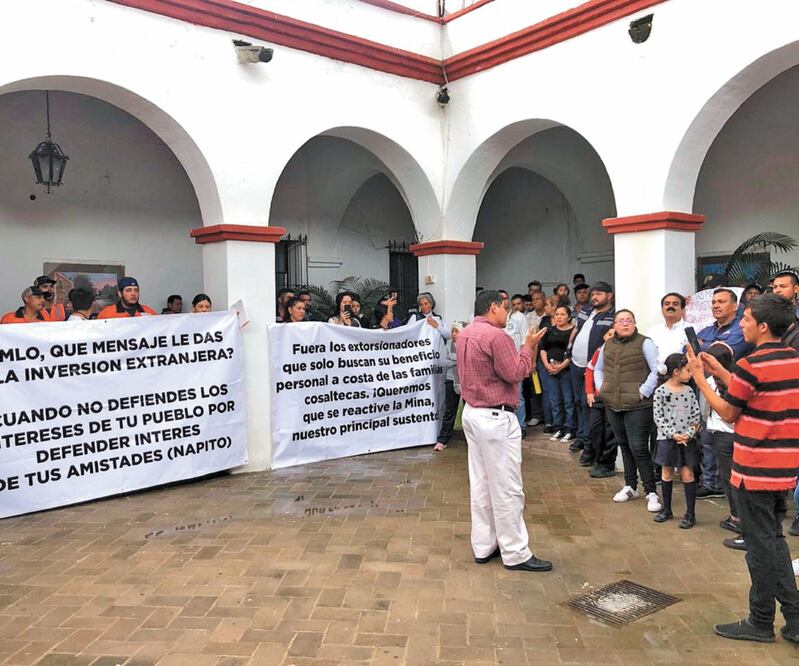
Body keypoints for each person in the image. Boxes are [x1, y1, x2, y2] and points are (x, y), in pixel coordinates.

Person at [686, 294, 799, 644]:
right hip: (783, 466)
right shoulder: (792, 359)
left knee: (760, 547)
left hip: (755, 467)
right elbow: (753, 393)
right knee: (773, 540)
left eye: (747, 318)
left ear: (763, 326)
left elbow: (729, 411)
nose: (743, 324)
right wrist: (719, 370)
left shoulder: (753, 364)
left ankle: (760, 620)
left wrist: (700, 379)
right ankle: (794, 619)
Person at [457, 290, 551, 572]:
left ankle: (484, 545)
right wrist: (529, 346)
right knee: (508, 487)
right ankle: (515, 552)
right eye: (504, 308)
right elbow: (516, 372)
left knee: (482, 483)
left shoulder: (465, 333)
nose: (507, 313)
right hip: (496, 417)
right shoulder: (496, 336)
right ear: (493, 307)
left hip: (473, 414)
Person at [594, 309, 662, 513]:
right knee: (624, 445)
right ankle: (630, 486)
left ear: (634, 323)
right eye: (621, 321)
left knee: (639, 447)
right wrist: (601, 388)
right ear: (614, 324)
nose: (625, 324)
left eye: (629, 320)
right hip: (613, 403)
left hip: (638, 405)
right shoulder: (607, 344)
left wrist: (643, 391)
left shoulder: (644, 342)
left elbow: (656, 369)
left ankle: (651, 491)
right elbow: (598, 368)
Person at [651, 353, 701, 528]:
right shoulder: (661, 391)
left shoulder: (689, 391)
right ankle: (667, 509)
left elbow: (696, 416)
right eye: (688, 370)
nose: (690, 373)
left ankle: (690, 514)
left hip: (686, 440)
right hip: (667, 440)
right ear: (676, 371)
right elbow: (658, 417)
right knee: (666, 473)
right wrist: (672, 434)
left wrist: (689, 433)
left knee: (687, 474)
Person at [699, 342, 740, 534]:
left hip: (721, 435)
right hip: (739, 435)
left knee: (729, 477)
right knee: (739, 478)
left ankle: (736, 517)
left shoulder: (709, 383)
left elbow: (705, 409)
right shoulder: (737, 379)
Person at [569, 281, 615, 453]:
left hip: (593, 367)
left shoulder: (612, 316)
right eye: (593, 294)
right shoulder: (586, 310)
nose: (594, 297)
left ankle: (588, 444)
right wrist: (569, 350)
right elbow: (576, 331)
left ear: (609, 296)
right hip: (575, 364)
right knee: (577, 403)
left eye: (599, 294)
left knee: (587, 403)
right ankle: (580, 437)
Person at [583, 329, 618, 477]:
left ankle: (607, 464)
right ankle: (597, 459)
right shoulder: (600, 350)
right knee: (595, 428)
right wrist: (590, 391)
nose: (611, 337)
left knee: (610, 432)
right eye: (609, 334)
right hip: (598, 397)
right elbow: (590, 370)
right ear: (603, 336)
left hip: (613, 397)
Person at [540, 305, 576, 443]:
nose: (559, 317)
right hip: (550, 370)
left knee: (568, 401)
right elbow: (543, 348)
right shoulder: (549, 330)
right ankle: (558, 427)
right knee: (554, 400)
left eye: (562, 314)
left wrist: (561, 366)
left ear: (569, 316)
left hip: (566, 370)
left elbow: (572, 352)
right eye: (557, 314)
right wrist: (547, 365)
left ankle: (570, 429)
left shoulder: (573, 331)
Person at [501, 290, 530, 435]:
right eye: (500, 299)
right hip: (500, 363)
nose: (504, 301)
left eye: (505, 298)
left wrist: (525, 361)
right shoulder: (498, 318)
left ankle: (521, 426)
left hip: (516, 361)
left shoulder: (519, 317)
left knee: (518, 395)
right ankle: (507, 427)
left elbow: (526, 340)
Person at [434, 322, 464, 451]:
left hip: (467, 382)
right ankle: (443, 439)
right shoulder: (448, 345)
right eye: (453, 331)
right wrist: (456, 362)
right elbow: (441, 361)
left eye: (457, 331)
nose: (454, 334)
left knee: (471, 411)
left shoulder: (469, 344)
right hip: (451, 381)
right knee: (449, 411)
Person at [698, 288, 752, 359]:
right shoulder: (706, 330)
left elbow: (724, 355)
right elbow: (686, 348)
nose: (715, 306)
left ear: (734, 306)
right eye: (713, 302)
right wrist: (717, 345)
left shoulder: (742, 329)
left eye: (721, 302)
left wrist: (700, 346)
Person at [646, 293, 689, 372]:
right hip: (656, 378)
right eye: (667, 304)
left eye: (675, 304)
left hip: (683, 377)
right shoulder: (652, 332)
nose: (670, 306)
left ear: (682, 310)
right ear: (662, 309)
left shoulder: (692, 329)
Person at [537, 296, 560, 434]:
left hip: (560, 363)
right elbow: (540, 343)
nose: (545, 308)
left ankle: (560, 423)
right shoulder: (544, 321)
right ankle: (549, 421)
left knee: (560, 393)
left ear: (554, 307)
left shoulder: (565, 321)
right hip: (543, 361)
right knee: (546, 392)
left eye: (547, 305)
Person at [772, 270, 799, 349]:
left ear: (796, 289)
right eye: (775, 287)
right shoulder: (768, 311)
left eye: (783, 286)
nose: (777, 290)